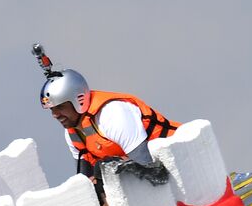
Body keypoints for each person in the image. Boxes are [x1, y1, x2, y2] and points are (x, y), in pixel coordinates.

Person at [34, 47, 180, 177]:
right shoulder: (72, 133)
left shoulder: (112, 114)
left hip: (178, 162)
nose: (55, 115)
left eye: (60, 107)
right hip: (155, 175)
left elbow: (154, 172)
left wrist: (107, 167)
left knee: (102, 169)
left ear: (78, 99)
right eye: (52, 110)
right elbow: (86, 183)